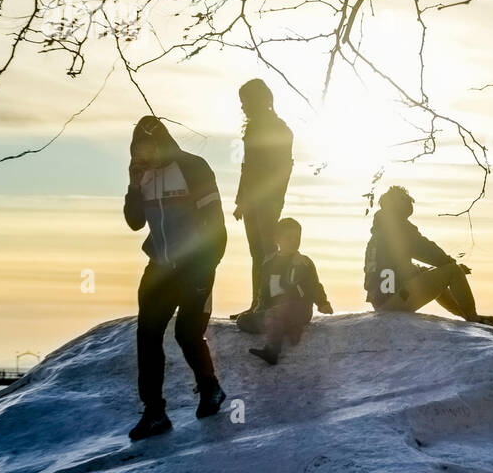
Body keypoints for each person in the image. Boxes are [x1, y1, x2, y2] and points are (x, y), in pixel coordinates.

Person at [123, 116, 228, 440]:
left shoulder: (193, 167)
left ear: (162, 142)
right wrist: (133, 187)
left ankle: (210, 387)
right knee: (148, 336)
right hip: (160, 266)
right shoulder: (143, 175)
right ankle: (154, 412)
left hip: (196, 264)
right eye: (137, 149)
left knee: (187, 332)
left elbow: (217, 225)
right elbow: (135, 222)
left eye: (147, 147)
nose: (143, 154)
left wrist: (206, 265)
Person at [363, 185, 493, 327]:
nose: (410, 203)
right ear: (399, 204)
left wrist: (429, 271)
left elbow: (396, 267)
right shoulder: (399, 228)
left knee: (435, 274)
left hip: (383, 300)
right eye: (406, 200)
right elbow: (429, 251)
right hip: (394, 300)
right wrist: (450, 263)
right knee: (452, 271)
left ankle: (467, 315)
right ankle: (473, 318)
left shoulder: (378, 236)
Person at [231, 80, 294, 319]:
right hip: (252, 201)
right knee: (258, 253)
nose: (243, 107)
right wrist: (241, 201)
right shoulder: (252, 129)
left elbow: (284, 168)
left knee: (269, 253)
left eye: (246, 101)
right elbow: (247, 168)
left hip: (267, 201)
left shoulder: (280, 129)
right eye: (242, 102)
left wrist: (274, 198)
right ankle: (258, 303)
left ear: (260, 100)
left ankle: (272, 303)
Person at [248, 218, 334, 365]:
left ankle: (272, 351)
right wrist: (259, 308)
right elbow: (264, 290)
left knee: (275, 314)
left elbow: (314, 285)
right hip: (273, 311)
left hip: (299, 308)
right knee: (244, 321)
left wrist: (322, 303)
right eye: (289, 238)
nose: (294, 241)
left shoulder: (303, 262)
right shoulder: (268, 263)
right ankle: (289, 327)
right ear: (277, 239)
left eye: (297, 238)